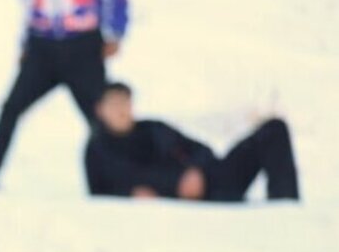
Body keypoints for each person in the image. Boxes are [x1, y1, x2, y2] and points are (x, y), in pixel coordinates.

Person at [0, 0, 129, 187]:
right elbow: (29, 0)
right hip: (42, 47)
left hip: (83, 47)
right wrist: (25, 43)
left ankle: (120, 179)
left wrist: (115, 33)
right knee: (12, 107)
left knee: (102, 116)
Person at [84, 81, 301, 202]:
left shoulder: (154, 129)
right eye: (114, 104)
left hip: (214, 185)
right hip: (173, 208)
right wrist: (131, 196)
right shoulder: (97, 150)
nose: (122, 110)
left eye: (126, 102)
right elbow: (98, 194)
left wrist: (196, 171)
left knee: (274, 129)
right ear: (100, 110)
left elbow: (202, 151)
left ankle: (286, 210)